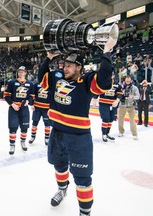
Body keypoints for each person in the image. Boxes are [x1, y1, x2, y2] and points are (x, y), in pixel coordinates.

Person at [38, 37, 116, 216]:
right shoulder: (57, 78)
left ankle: (85, 212)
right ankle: (62, 189)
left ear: (79, 67)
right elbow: (41, 78)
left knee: (82, 178)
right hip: (57, 133)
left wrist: (106, 52)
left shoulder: (87, 82)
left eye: (69, 66)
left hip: (79, 138)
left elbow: (104, 81)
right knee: (59, 166)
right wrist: (48, 57)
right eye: (64, 65)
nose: (65, 68)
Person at [4, 66, 34, 155]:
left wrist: (28, 101)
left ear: (25, 73)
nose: (20, 73)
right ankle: (12, 145)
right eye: (19, 72)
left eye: (22, 72)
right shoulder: (12, 82)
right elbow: (6, 96)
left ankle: (23, 142)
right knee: (13, 127)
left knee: (24, 127)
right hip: (13, 108)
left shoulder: (30, 84)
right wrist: (12, 104)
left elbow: (32, 96)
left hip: (24, 109)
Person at [98, 73, 123, 142]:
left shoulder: (117, 85)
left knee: (111, 119)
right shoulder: (102, 84)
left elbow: (120, 94)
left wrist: (117, 101)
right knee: (106, 119)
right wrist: (94, 98)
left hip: (113, 105)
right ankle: (104, 134)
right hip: (104, 104)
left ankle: (107, 133)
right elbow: (97, 91)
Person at [28, 81, 51, 145]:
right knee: (34, 123)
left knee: (47, 124)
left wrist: (52, 108)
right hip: (37, 107)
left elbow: (53, 97)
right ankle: (32, 137)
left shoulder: (51, 83)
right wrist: (31, 103)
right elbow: (32, 94)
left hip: (47, 108)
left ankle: (47, 138)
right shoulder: (37, 84)